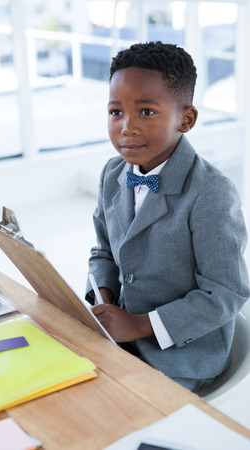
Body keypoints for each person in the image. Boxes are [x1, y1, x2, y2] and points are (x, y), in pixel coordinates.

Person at [85, 41, 250, 392]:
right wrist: (103, 297)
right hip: (119, 336)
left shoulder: (211, 192)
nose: (127, 127)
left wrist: (137, 324)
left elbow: (225, 293)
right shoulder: (113, 173)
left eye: (146, 112)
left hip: (179, 356)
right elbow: (103, 252)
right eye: (116, 112)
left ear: (185, 119)